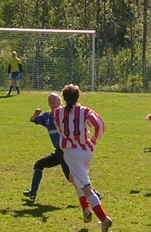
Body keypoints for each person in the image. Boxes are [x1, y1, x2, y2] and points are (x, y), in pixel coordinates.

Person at [23, 92, 103, 223]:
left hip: (67, 151)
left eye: (54, 99)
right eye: (50, 99)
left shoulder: (63, 114)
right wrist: (35, 115)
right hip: (59, 152)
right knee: (39, 165)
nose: (51, 100)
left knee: (72, 178)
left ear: (61, 101)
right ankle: (33, 193)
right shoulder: (47, 116)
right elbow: (33, 120)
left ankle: (93, 193)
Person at [54, 84, 112, 232]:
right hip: (87, 150)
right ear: (78, 96)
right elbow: (100, 125)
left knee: (86, 186)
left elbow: (60, 130)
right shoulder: (85, 111)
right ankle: (86, 210)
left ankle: (104, 218)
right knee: (77, 179)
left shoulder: (57, 113)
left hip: (72, 152)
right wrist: (93, 139)